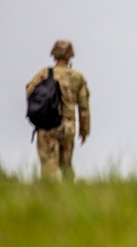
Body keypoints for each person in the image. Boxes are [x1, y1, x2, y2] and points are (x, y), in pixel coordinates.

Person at [25, 40, 91, 180]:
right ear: (70, 55)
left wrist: (39, 114)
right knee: (66, 166)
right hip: (68, 128)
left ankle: (49, 198)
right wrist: (84, 131)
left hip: (48, 126)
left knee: (49, 168)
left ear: (54, 54)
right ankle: (72, 196)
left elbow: (30, 92)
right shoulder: (77, 77)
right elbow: (84, 107)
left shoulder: (44, 74)